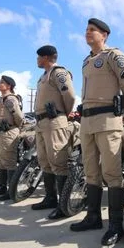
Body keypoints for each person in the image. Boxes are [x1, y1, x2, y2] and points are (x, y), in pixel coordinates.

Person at [70, 18, 124, 246]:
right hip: (87, 123)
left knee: (111, 172)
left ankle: (115, 225)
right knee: (90, 171)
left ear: (104, 35)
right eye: (86, 29)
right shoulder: (87, 61)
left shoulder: (113, 56)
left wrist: (120, 109)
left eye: (93, 30)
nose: (87, 33)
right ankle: (93, 217)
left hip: (108, 120)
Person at [30, 45, 76, 218]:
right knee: (44, 160)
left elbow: (70, 96)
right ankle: (50, 198)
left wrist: (62, 113)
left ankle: (63, 205)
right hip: (42, 123)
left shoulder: (58, 73)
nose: (37, 60)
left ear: (46, 57)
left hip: (55, 120)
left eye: (39, 57)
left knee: (58, 160)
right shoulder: (43, 77)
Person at [0, 75, 24, 199]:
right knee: (0, 161)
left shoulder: (11, 99)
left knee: (9, 162)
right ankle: (1, 187)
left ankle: (11, 190)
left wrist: (14, 127)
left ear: (9, 86)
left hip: (8, 132)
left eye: (2, 83)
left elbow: (19, 117)